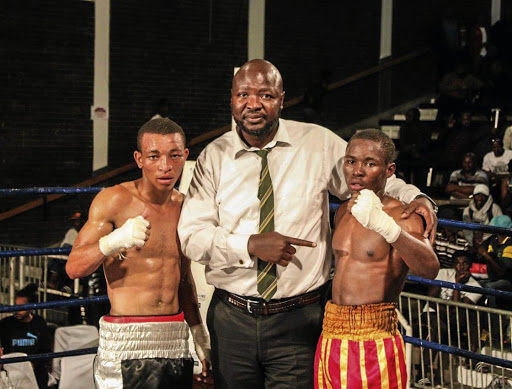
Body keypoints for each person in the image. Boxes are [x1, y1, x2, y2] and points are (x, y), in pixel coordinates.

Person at [178, 59, 438, 388]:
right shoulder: (213, 157)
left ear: (282, 99)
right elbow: (191, 238)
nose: (254, 104)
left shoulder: (317, 143)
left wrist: (419, 197)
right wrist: (250, 245)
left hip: (300, 318)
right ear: (231, 98)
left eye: (266, 95)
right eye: (244, 94)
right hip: (232, 317)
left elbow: (368, 174)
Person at [65, 118, 210, 388]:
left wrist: (199, 336)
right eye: (154, 156)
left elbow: (184, 280)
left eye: (174, 156)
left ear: (185, 156)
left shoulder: (185, 207)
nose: (165, 166)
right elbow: (74, 267)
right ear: (139, 159)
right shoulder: (114, 200)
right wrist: (112, 241)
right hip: (126, 338)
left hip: (175, 338)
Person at [313, 129, 439, 388]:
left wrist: (387, 228)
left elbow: (429, 268)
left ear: (389, 170)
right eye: (351, 161)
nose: (357, 171)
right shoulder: (343, 212)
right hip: (330, 332)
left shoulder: (402, 215)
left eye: (369, 163)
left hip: (375, 336)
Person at [419, 251, 482, 385]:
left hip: (455, 319)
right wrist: (450, 310)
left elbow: (457, 310)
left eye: (465, 263)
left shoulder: (476, 286)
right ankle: (423, 374)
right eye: (458, 263)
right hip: (432, 313)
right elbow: (431, 301)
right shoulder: (443, 273)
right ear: (453, 265)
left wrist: (457, 285)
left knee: (473, 316)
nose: (461, 267)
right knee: (439, 328)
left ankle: (473, 358)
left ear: (470, 265)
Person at [0, 284, 52, 389]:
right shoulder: (6, 323)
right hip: (11, 367)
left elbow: (46, 350)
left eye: (22, 307)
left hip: (34, 367)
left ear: (31, 307)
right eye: (16, 305)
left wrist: (34, 364)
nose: (17, 310)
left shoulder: (39, 323)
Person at [462, 183, 502, 249]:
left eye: (483, 196)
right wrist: (472, 243)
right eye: (477, 195)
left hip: (490, 243)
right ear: (474, 196)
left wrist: (484, 240)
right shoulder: (467, 210)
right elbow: (467, 231)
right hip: (473, 243)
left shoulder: (494, 208)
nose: (480, 198)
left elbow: (499, 228)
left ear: (487, 198)